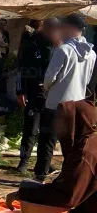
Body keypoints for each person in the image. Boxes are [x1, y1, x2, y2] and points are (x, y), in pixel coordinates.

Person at [8, 100, 97, 213]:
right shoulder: (87, 143)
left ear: (75, 122)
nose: (56, 125)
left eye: (61, 120)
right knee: (28, 184)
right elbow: (66, 187)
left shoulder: (85, 155)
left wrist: (23, 194)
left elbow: (66, 197)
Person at [36, 14, 96, 180]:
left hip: (56, 103)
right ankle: (68, 175)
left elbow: (50, 77)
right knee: (70, 143)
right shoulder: (92, 54)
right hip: (76, 104)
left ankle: (41, 174)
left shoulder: (64, 50)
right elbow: (88, 80)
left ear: (70, 28)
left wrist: (46, 88)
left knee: (48, 139)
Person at [16, 19, 60, 175]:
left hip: (52, 97)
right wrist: (20, 91)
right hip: (34, 94)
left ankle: (44, 163)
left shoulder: (59, 48)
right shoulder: (32, 44)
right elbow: (21, 68)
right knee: (30, 129)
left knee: (48, 133)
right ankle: (24, 160)